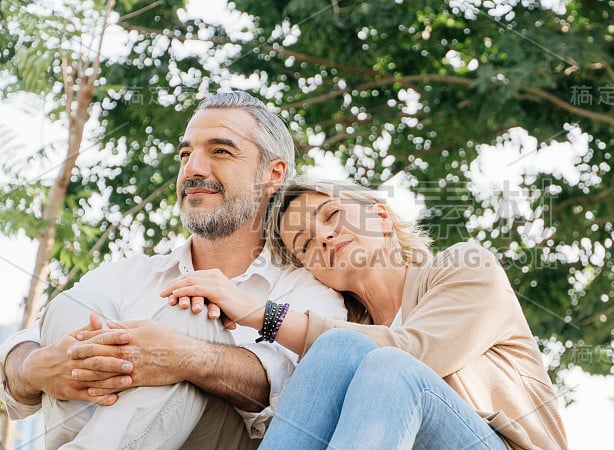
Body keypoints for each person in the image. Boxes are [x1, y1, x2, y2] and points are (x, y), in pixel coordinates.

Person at [0, 92, 346, 449]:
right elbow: (22, 345)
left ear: (273, 175)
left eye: (220, 151)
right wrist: (33, 368)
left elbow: (295, 390)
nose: (192, 169)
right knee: (69, 306)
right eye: (185, 154)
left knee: (191, 319)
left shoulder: (309, 291)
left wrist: (185, 357)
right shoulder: (132, 274)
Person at [161, 180, 569, 450]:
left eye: (332, 216)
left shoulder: (464, 267)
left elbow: (416, 352)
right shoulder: (339, 340)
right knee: (337, 352)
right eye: (305, 245)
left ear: (380, 216)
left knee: (383, 364)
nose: (322, 236)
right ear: (314, 272)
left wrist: (258, 313)